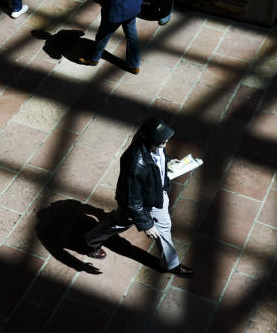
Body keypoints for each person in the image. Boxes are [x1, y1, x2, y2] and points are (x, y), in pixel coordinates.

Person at [83, 117, 194, 278]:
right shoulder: (136, 164)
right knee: (118, 224)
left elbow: (159, 157)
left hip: (156, 196)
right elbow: (132, 201)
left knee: (164, 227)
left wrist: (169, 162)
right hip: (137, 205)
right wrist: (146, 224)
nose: (166, 143)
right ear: (151, 140)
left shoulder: (153, 144)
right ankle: (90, 241)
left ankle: (171, 264)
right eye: (163, 141)